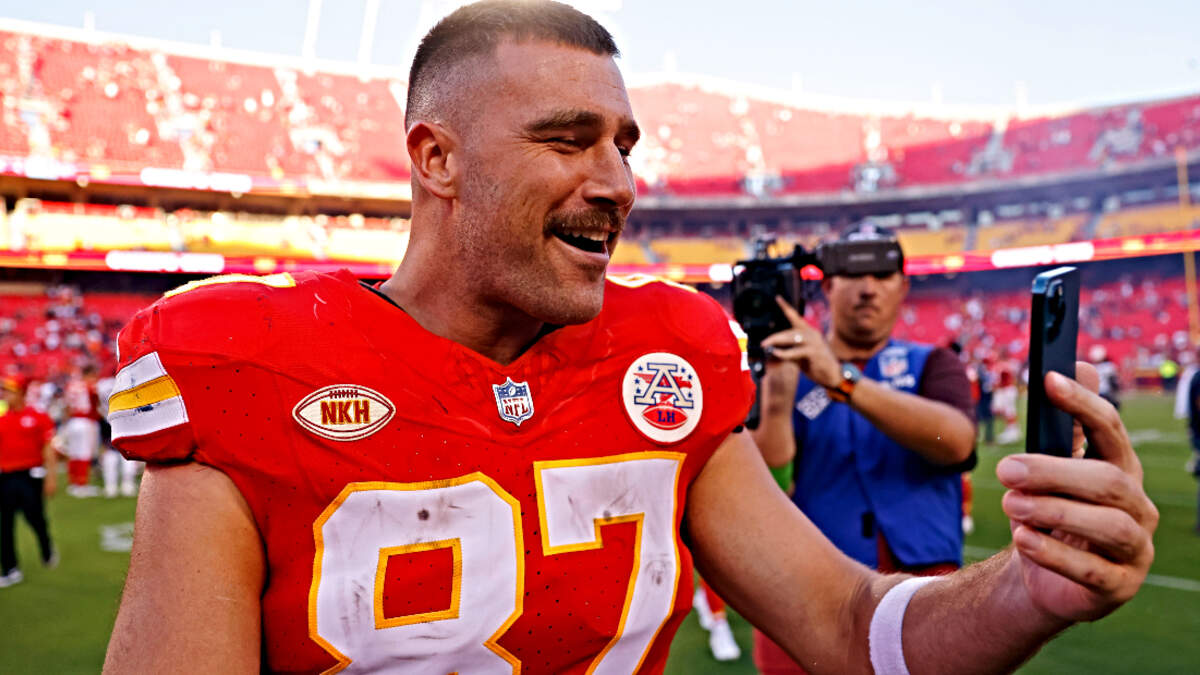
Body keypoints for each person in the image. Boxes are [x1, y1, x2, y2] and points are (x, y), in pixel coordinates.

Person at [103, 3, 1157, 673]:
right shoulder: (241, 358)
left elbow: (845, 620)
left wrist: (1026, 589)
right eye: (567, 141)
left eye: (623, 144)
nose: (616, 182)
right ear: (436, 159)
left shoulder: (670, 352)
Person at [749, 226, 977, 673]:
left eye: (881, 275)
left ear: (903, 287)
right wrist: (776, 401)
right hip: (810, 586)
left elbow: (954, 443)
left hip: (924, 584)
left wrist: (840, 380)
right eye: (854, 275)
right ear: (828, 287)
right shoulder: (785, 369)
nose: (868, 289)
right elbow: (768, 485)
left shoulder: (934, 363)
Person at [0, 376, 58, 588]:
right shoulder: (2, 417)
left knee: (35, 518)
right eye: (5, 390)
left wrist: (51, 477)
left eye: (10, 390)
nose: (5, 394)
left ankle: (46, 546)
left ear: (22, 393)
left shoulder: (38, 416)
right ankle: (10, 568)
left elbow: (48, 449)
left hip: (30, 476)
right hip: (6, 476)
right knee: (4, 524)